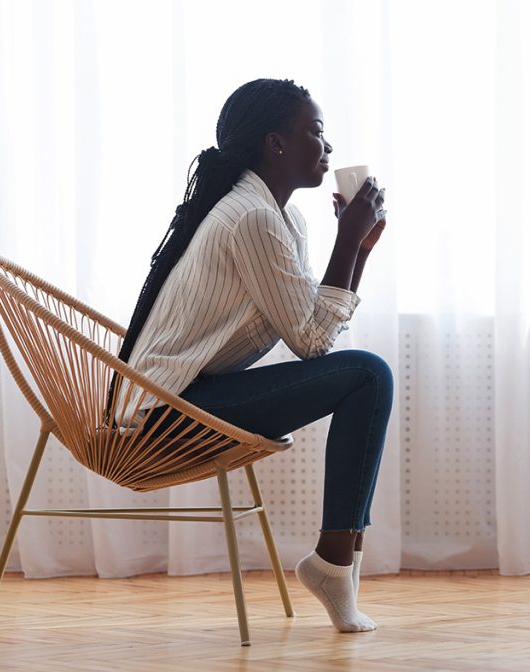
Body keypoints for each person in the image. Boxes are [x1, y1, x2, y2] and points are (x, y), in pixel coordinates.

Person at [115, 78, 392, 633]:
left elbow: (314, 331)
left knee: (367, 375)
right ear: (276, 144)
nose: (328, 147)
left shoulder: (283, 218)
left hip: (193, 396)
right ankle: (334, 566)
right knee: (369, 374)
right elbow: (312, 344)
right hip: (164, 414)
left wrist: (356, 249)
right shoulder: (254, 217)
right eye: (315, 131)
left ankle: (336, 566)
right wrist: (347, 245)